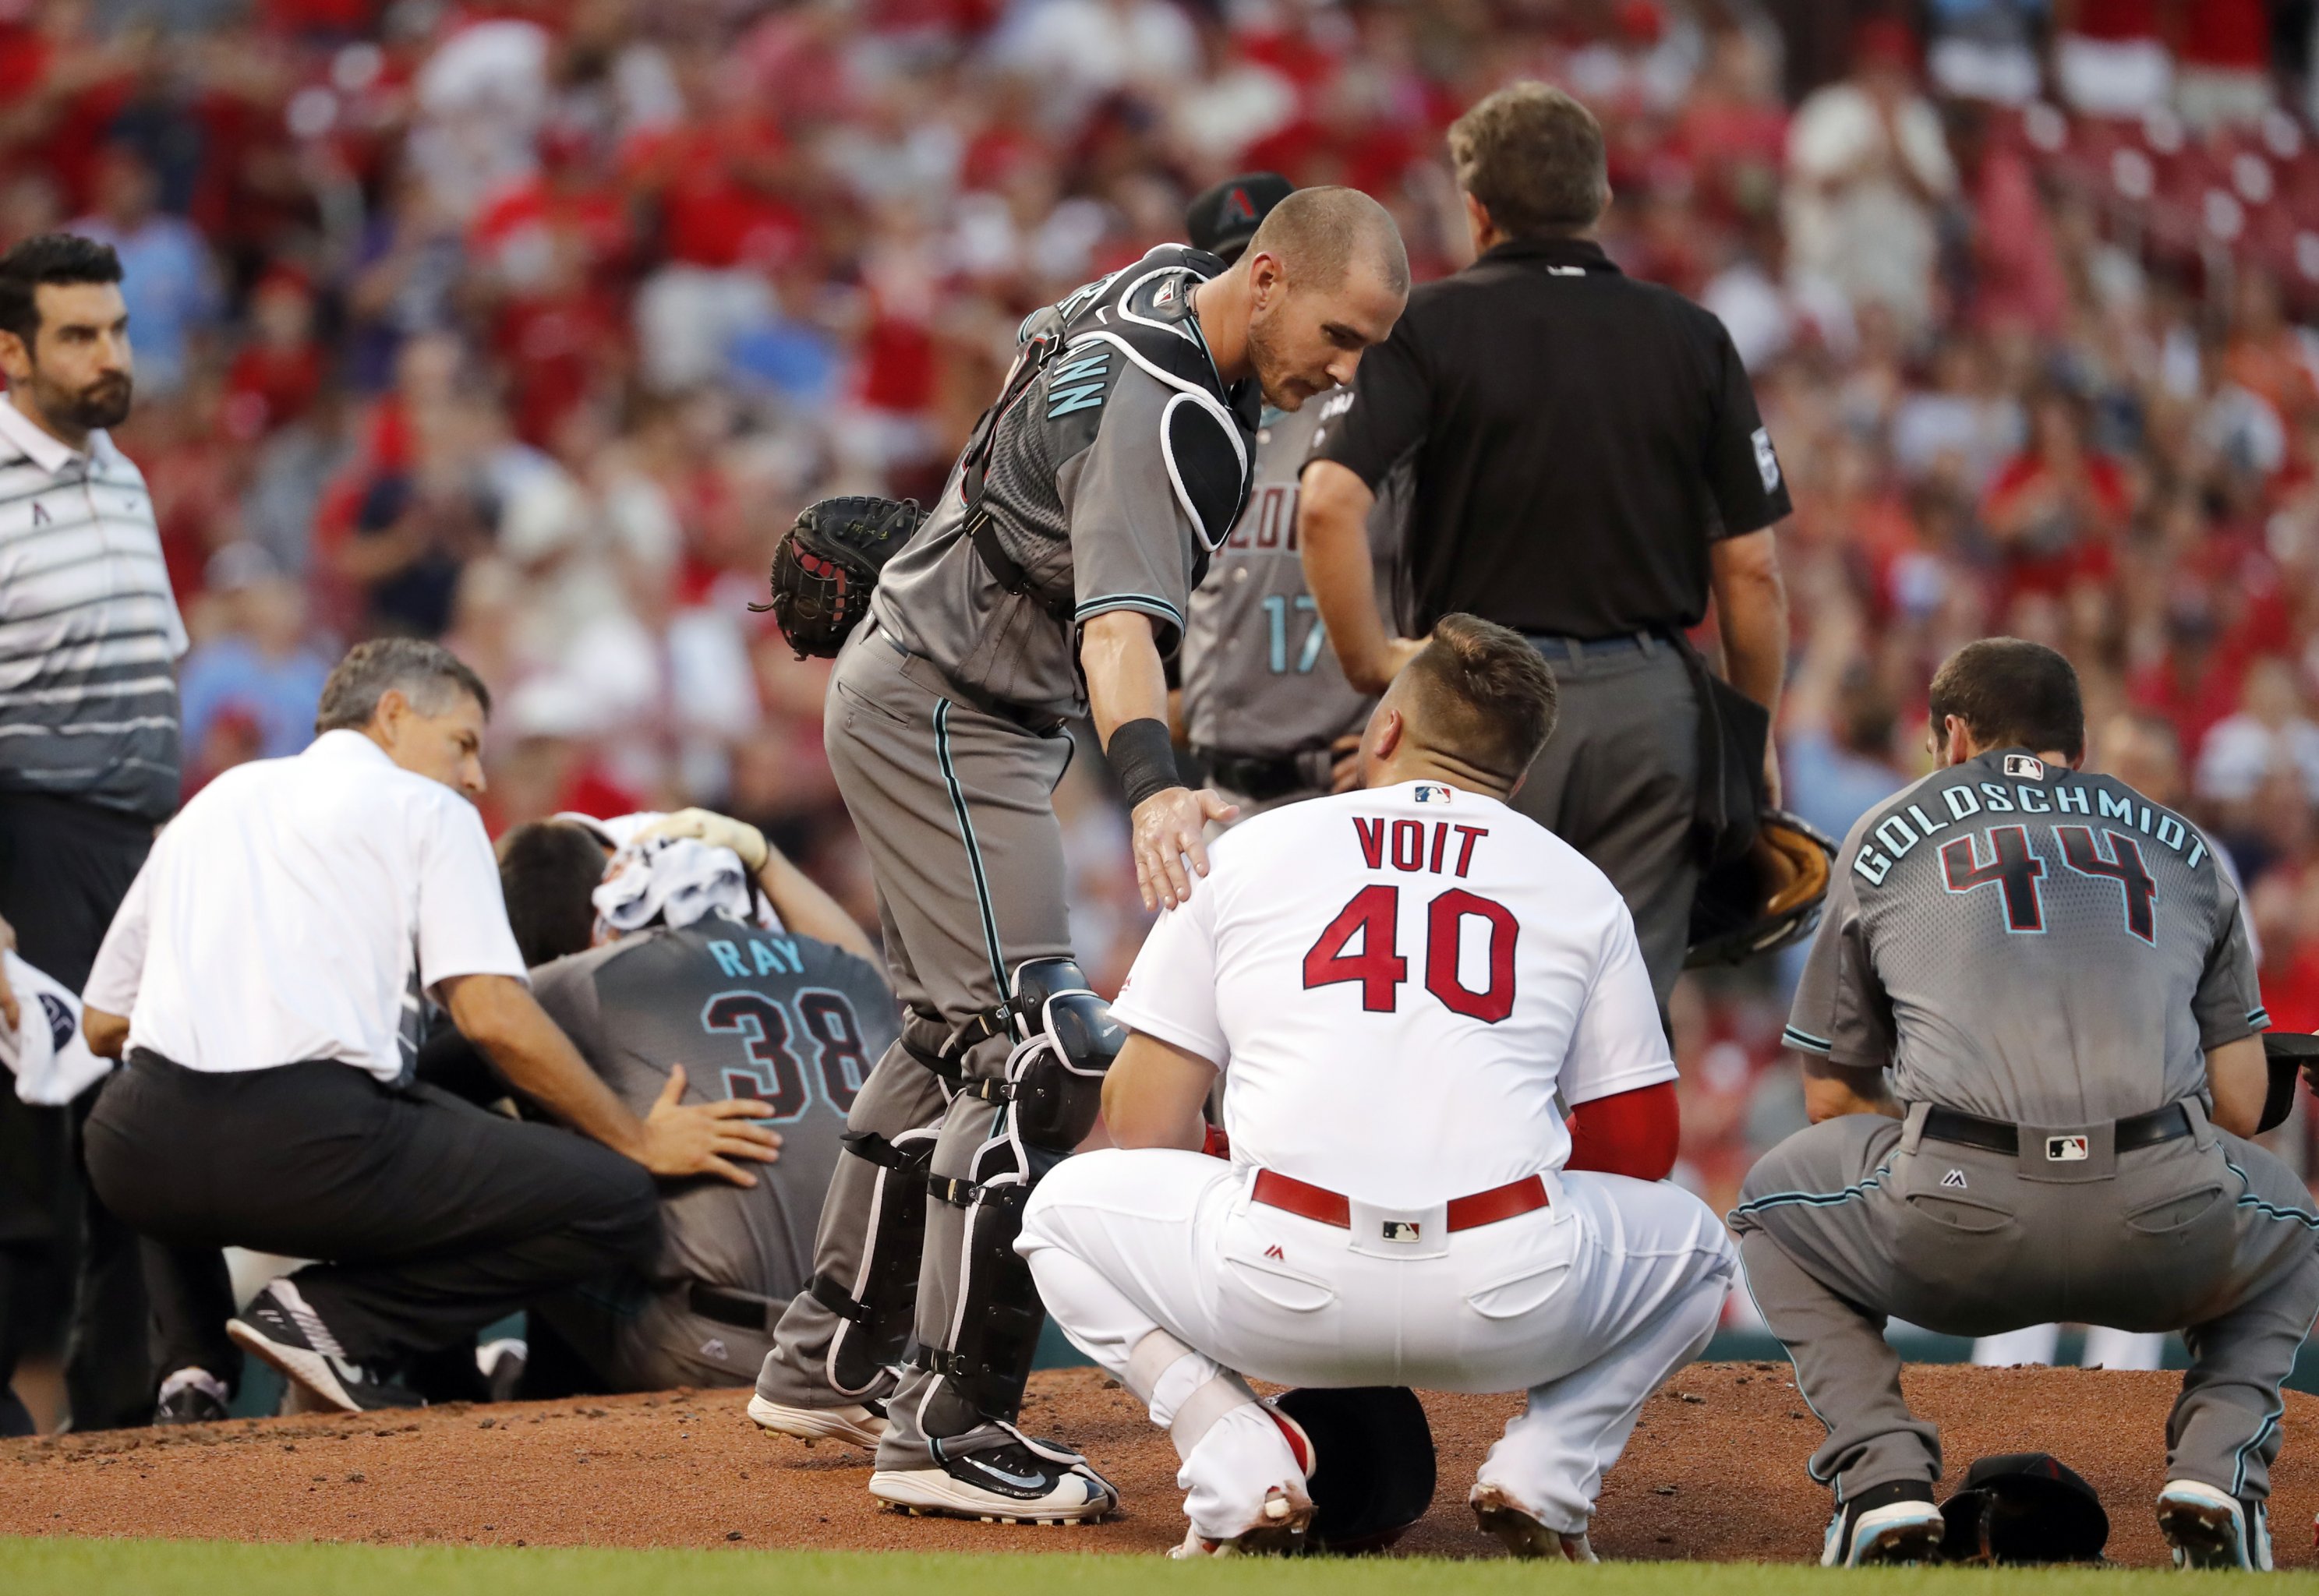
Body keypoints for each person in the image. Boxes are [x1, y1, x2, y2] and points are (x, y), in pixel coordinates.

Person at [748, 188, 1409, 1524]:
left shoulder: (1157, 279)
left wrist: (978, 541)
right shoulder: (1186, 421)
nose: (1345, 372)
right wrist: (1156, 787)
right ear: (1267, 277)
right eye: (1339, 335)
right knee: (1050, 1048)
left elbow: (1031, 362)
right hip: (957, 708)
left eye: (1367, 350)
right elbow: (1119, 635)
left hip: (932, 678)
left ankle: (834, 1347)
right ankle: (948, 1421)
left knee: (951, 1030)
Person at [1016, 614, 1736, 1557]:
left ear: (1384, 731)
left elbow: (1143, 1120)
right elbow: (1639, 1147)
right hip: (1507, 1298)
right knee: (1699, 1247)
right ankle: (1548, 1468)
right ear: (1515, 777)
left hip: (1275, 1280)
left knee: (1059, 1210)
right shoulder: (1574, 880)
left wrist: (1246, 1167)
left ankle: (1236, 1452)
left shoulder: (1248, 848)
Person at [76, 639, 780, 1417]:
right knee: (610, 1196)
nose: (476, 776)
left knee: (183, 1076)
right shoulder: (426, 807)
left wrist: (230, 1014)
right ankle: (330, 1319)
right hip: (309, 1148)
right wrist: (639, 1139)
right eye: (464, 743)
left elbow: (104, 1022)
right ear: (393, 713)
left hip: (134, 1159)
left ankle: (193, 1367)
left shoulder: (214, 798)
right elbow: (491, 1014)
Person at [1733, 639, 2319, 1570]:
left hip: (1954, 1216)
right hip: (2160, 1216)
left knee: (1768, 1203)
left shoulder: (1886, 829)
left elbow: (1830, 1096)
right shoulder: (2181, 844)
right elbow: (2243, 1108)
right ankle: (2218, 1472)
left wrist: (1945, 1122)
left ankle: (1880, 1480)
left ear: (1952, 733)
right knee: (2289, 1214)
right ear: (2078, 746)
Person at [1300, 84, 1791, 1015]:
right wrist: (1747, 731)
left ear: (1475, 207)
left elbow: (1326, 505)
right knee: (1618, 1024)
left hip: (1477, 701)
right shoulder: (1693, 335)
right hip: (1650, 710)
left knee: (1458, 1008)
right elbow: (1753, 572)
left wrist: (1371, 663)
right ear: (1599, 199)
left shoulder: (1429, 326)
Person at [486, 811, 896, 1393]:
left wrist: (629, 1140)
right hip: (883, 1345)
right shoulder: (847, 972)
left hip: (720, 1352)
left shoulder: (595, 978)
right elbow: (873, 975)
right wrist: (767, 857)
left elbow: (479, 1024)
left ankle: (506, 1393)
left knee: (530, 1180)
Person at [0, 231, 188, 1434]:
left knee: (140, 1120)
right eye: (78, 334)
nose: (109, 354)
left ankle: (125, 1412)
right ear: (11, 352)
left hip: (139, 840)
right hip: (32, 833)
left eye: (114, 329)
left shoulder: (116, 468)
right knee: (34, 1133)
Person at [1177, 174, 1408, 821]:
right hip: (1218, 796)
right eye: (1232, 271)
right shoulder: (1184, 426)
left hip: (1341, 794)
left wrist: (1418, 731)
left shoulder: (1372, 414)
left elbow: (1455, 593)